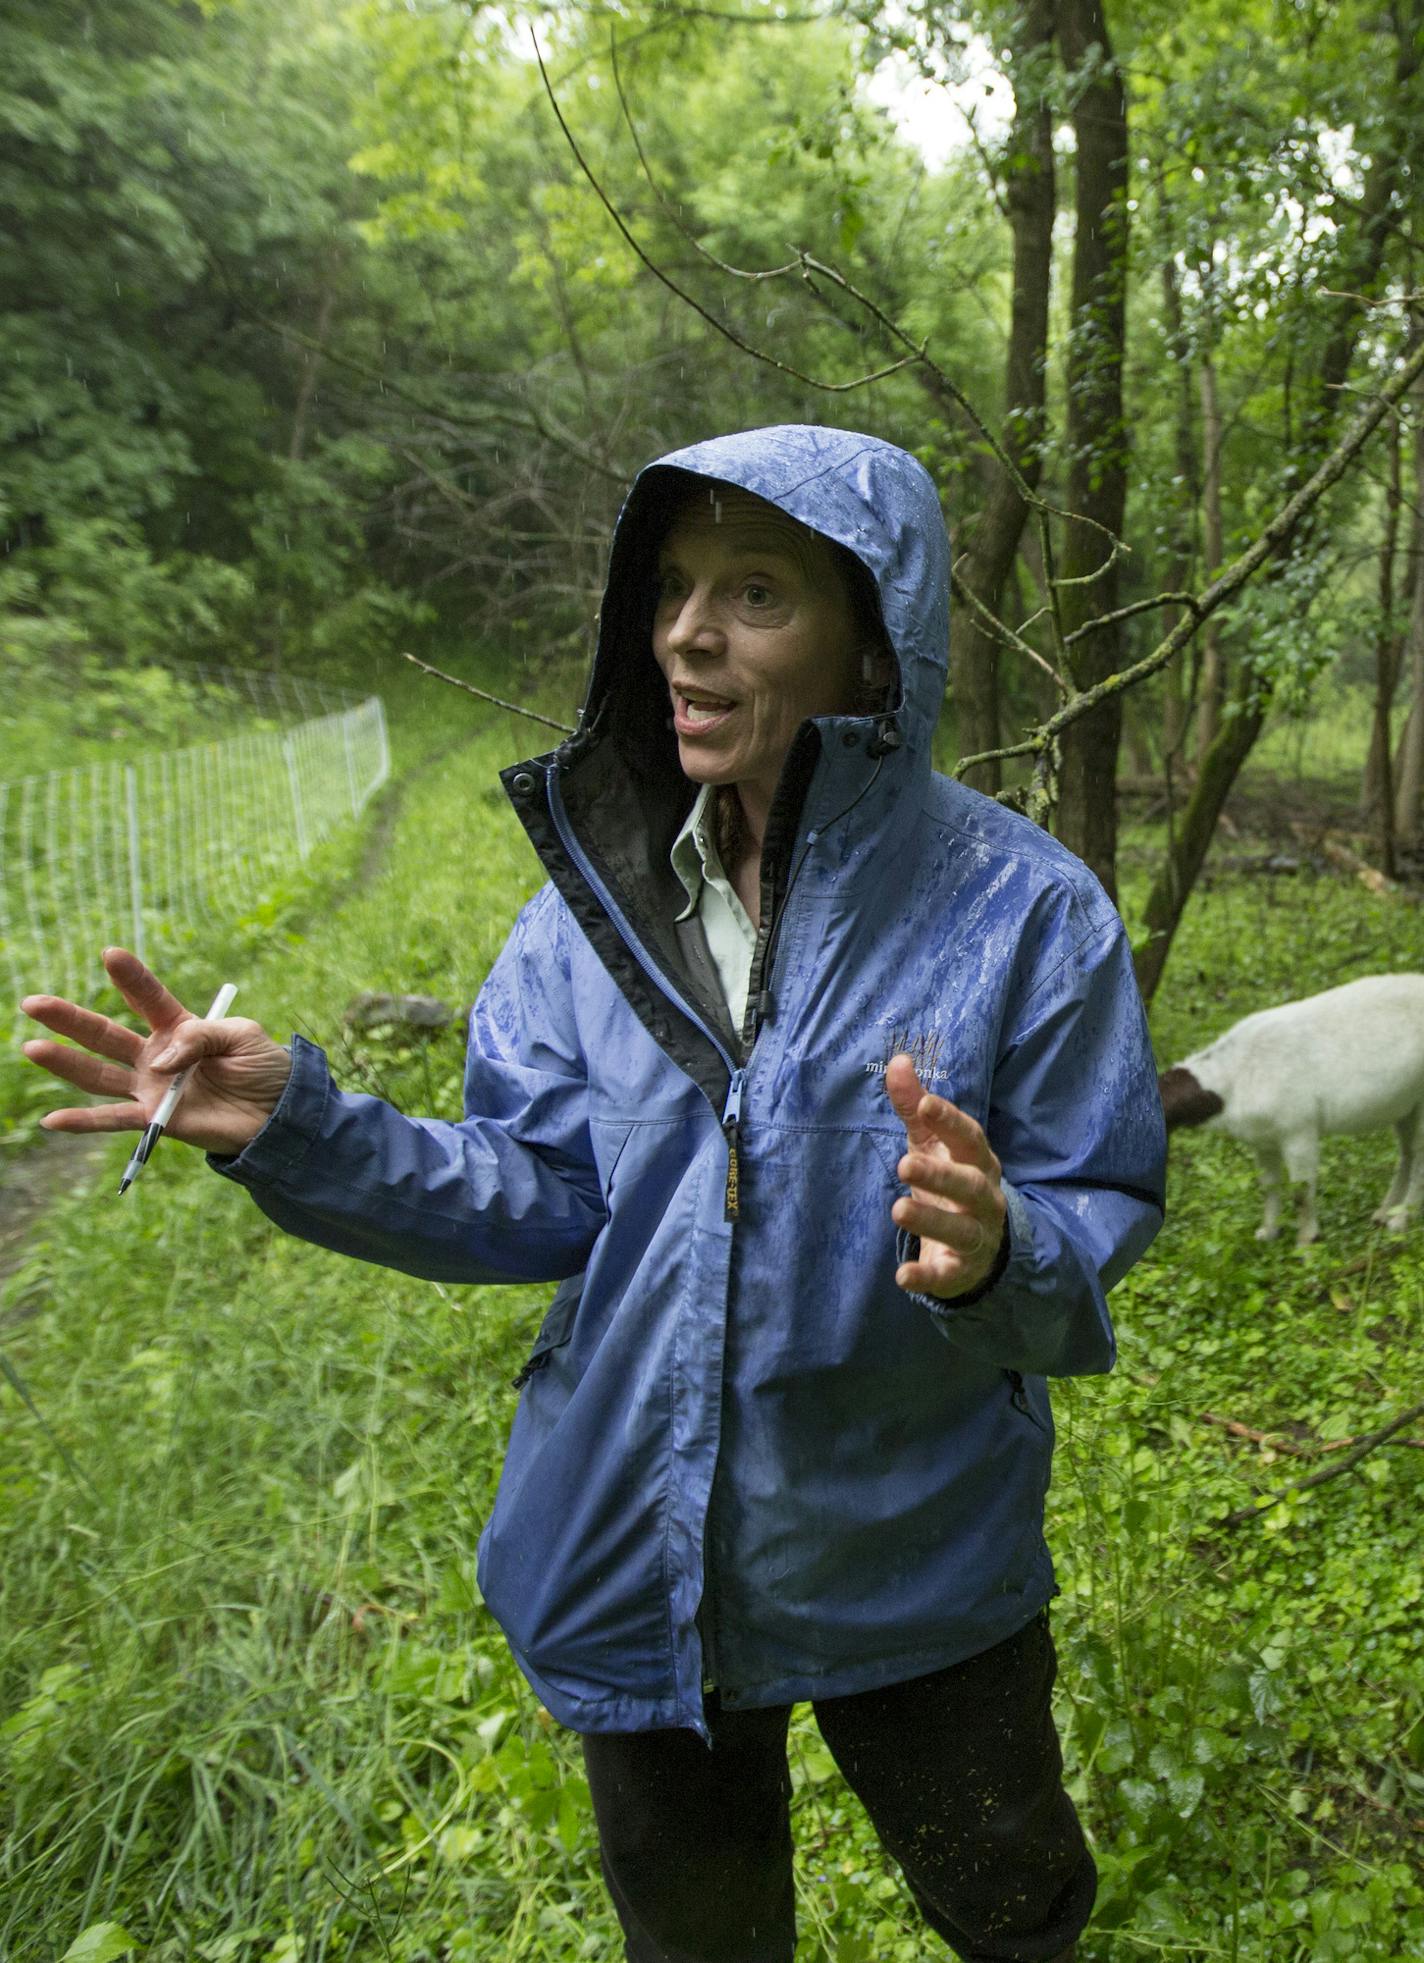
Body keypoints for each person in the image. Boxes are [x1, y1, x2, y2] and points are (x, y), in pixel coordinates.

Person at [22, 425, 1166, 1963]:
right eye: (675, 586)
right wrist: (296, 1126)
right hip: (642, 1553)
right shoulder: (591, 919)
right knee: (695, 1943)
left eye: (756, 592)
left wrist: (1002, 1252)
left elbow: (1096, 1191)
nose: (689, 632)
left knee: (1010, 1907)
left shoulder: (1022, 910)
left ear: (872, 643)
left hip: (918, 1558)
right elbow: (540, 1191)